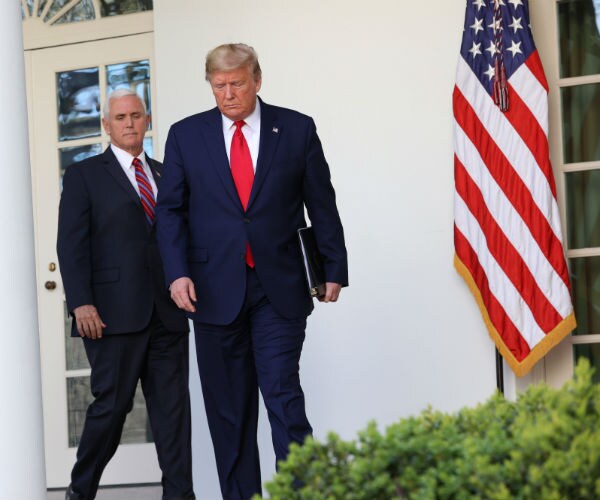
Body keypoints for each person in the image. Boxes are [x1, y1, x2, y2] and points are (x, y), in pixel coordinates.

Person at [156, 43, 348, 499]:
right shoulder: (186, 135)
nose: (228, 94)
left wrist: (333, 267)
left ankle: (300, 493)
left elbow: (322, 202)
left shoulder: (296, 129)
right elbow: (170, 212)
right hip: (211, 291)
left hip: (278, 287)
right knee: (230, 413)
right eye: (219, 86)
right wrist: (176, 272)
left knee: (283, 397)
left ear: (257, 80)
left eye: (237, 83)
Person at [57, 89, 195, 500]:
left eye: (136, 115)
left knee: (173, 416)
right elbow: (71, 244)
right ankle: (80, 492)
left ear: (147, 121)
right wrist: (81, 301)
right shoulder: (84, 175)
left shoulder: (166, 172)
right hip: (112, 316)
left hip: (167, 315)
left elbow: (179, 236)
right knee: (112, 409)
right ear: (107, 125)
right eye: (120, 117)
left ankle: (179, 496)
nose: (129, 123)